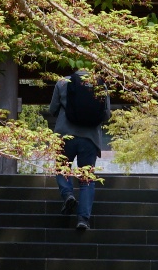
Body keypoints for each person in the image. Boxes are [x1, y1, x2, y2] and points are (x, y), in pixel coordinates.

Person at [47, 68, 111, 230]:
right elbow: (107, 114)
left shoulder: (63, 82)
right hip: (90, 139)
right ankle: (83, 219)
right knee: (86, 179)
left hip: (65, 135)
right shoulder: (101, 85)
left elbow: (52, 109)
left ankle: (68, 194)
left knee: (62, 168)